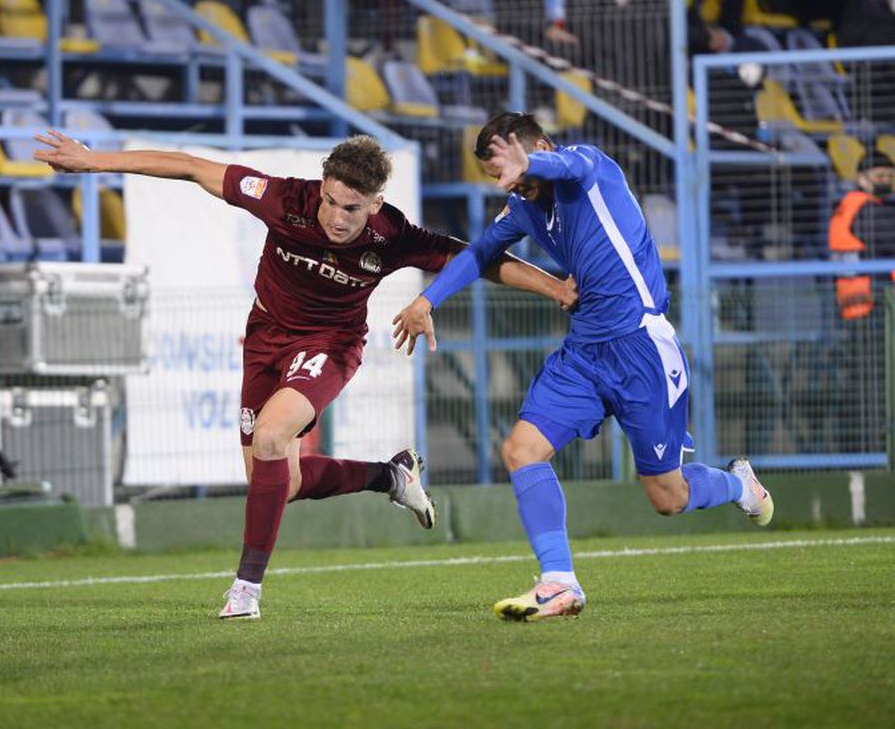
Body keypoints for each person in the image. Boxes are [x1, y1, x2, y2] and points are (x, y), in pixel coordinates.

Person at [34, 131, 577, 620]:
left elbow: (476, 258)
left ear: (376, 204)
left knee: (272, 437)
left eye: (353, 209)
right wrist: (93, 161)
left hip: (330, 347)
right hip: (265, 339)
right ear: (321, 187)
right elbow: (190, 165)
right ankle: (390, 477)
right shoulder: (283, 198)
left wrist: (554, 287)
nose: (339, 218)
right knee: (276, 480)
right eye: (333, 202)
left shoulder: (392, 236)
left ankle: (245, 591)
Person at [392, 112, 773, 622]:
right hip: (584, 353)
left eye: (514, 170)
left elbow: (563, 166)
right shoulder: (524, 207)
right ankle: (559, 581)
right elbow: (479, 253)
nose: (511, 185)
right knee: (521, 450)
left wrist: (534, 164)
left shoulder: (590, 167)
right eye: (497, 178)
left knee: (667, 495)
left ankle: (738, 485)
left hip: (640, 348)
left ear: (540, 149)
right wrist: (428, 300)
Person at [828, 161, 895, 452]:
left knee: (864, 383)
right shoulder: (867, 209)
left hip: (856, 307)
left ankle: (862, 449)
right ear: (861, 178)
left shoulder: (847, 207)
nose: (886, 181)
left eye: (890, 176)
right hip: (874, 307)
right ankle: (874, 451)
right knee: (875, 387)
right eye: (879, 175)